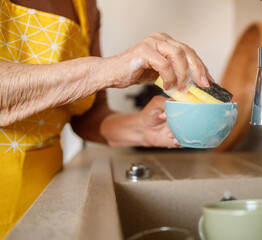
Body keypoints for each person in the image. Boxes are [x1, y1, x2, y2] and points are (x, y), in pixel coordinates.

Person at [0, 0, 213, 237]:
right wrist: (106, 69)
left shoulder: (85, 6)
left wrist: (141, 129)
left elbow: (88, 115)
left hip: (47, 197)